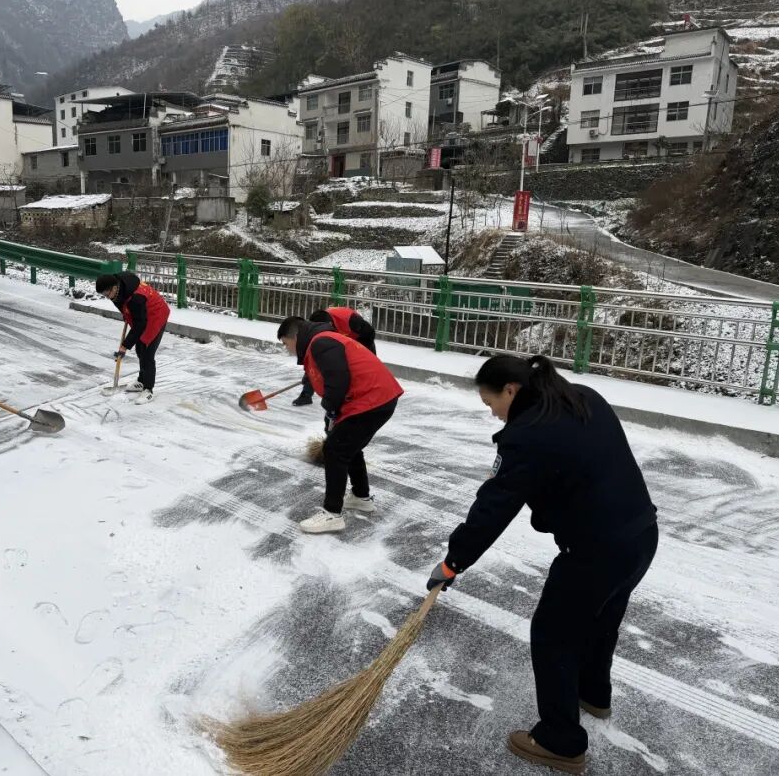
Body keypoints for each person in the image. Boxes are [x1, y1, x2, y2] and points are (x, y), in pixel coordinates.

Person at [425, 355, 658, 775]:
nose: (492, 413)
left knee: (553, 635)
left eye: (491, 403)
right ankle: (593, 694)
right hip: (641, 535)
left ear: (511, 390)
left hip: (596, 550)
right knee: (602, 619)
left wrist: (454, 560)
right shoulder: (582, 397)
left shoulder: (528, 435)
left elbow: (494, 507)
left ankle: (560, 741)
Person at [278, 315, 402, 534]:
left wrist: (331, 410)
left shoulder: (321, 342)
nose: (287, 349)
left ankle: (332, 513)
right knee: (348, 447)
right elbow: (332, 372)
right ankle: (361, 497)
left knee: (334, 450)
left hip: (370, 399)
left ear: (294, 337)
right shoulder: (322, 340)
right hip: (375, 398)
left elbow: (338, 378)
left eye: (285, 343)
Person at [96, 272, 171, 405]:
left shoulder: (136, 298)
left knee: (147, 353)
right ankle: (141, 381)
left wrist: (124, 346)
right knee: (139, 350)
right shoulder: (118, 286)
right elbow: (123, 305)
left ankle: (148, 389)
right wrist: (126, 313)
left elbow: (139, 325)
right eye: (104, 295)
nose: (107, 297)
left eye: (107, 294)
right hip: (142, 314)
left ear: (114, 287)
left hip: (156, 315)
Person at [293, 306, 377, 407]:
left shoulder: (350, 320)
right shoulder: (318, 328)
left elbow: (370, 333)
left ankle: (369, 395)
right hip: (340, 341)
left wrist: (357, 352)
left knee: (367, 370)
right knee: (318, 360)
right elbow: (313, 359)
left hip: (361, 341)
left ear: (330, 324)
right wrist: (308, 377)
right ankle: (306, 395)